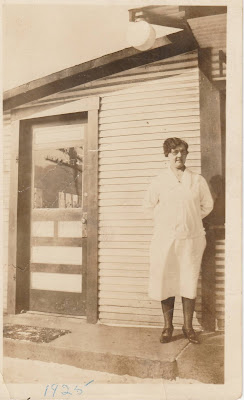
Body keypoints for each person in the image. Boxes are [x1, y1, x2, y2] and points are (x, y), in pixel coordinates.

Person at [143, 137, 214, 344]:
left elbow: (206, 206)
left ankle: (188, 327)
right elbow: (147, 207)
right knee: (166, 280)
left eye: (182, 151)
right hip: (165, 240)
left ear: (186, 154)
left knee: (188, 280)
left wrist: (188, 219)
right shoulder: (159, 181)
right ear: (167, 155)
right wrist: (166, 220)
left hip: (191, 240)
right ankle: (168, 326)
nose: (179, 155)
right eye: (174, 152)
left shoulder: (197, 180)